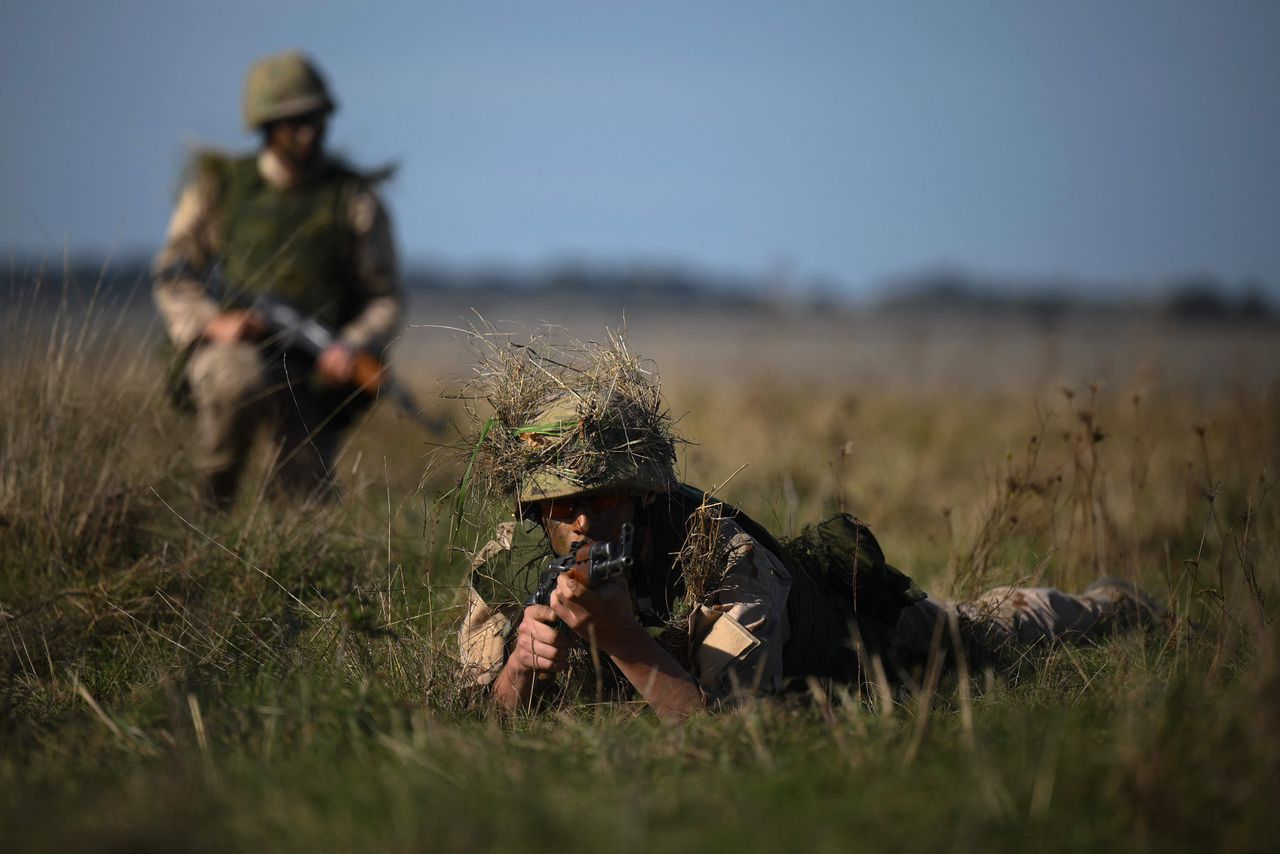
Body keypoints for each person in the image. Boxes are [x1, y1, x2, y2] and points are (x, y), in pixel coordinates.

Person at [456, 339, 1168, 723]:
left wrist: (621, 640)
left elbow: (728, 737)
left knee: (984, 628)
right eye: (559, 505)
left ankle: (1116, 607)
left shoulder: (722, 559)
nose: (582, 520)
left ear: (641, 500)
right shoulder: (513, 565)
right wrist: (520, 665)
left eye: (605, 498)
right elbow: (484, 718)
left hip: (847, 639)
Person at [153, 51, 402, 507]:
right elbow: (174, 272)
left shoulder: (351, 198)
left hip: (315, 368)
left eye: (315, 120)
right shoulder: (222, 188)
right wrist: (210, 321)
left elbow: (383, 298)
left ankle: (273, 561)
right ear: (266, 127)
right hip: (236, 350)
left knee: (305, 508)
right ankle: (207, 511)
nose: (307, 133)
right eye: (293, 123)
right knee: (235, 377)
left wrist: (353, 342)